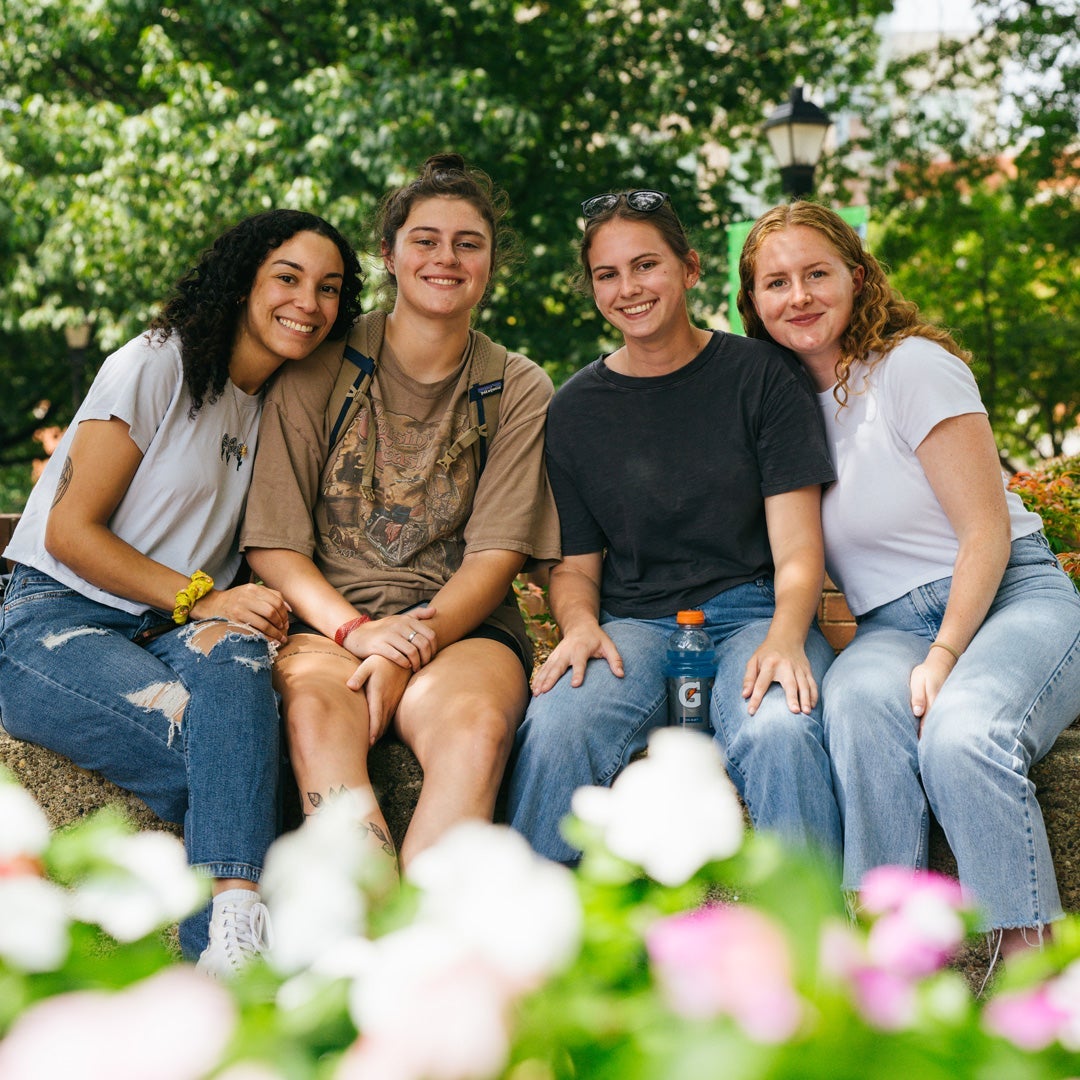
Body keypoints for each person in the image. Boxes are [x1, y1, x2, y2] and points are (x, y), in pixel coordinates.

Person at [0, 209, 363, 976]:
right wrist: (200, 596)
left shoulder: (274, 403)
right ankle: (241, 944)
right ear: (241, 285)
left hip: (163, 632)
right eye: (287, 278)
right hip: (55, 620)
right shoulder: (157, 362)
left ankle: (226, 942)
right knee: (236, 754)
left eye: (330, 288)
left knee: (238, 657)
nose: (309, 301)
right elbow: (70, 530)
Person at [737, 200, 1080, 957]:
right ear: (753, 304)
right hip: (891, 625)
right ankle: (894, 972)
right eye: (777, 282)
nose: (799, 296)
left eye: (817, 274)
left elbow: (986, 534)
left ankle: (1031, 984)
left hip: (1009, 597)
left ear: (857, 279)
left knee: (961, 736)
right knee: (856, 707)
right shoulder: (779, 411)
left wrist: (947, 655)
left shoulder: (911, 367)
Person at [241, 154, 560, 874]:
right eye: (425, 240)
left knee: (477, 731)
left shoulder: (516, 387)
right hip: (330, 621)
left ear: (489, 264)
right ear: (389, 255)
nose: (445, 258)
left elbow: (497, 555)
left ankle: (427, 944)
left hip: (462, 629)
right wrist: (359, 634)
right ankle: (370, 929)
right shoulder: (319, 366)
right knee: (317, 717)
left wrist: (407, 645)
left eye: (467, 243)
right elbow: (274, 543)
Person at [506, 189, 842, 865]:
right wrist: (578, 625)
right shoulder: (574, 410)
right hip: (635, 627)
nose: (628, 288)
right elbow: (575, 564)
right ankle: (519, 954)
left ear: (689, 269)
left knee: (783, 728)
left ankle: (813, 955)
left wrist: (784, 638)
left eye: (646, 265)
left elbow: (800, 547)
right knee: (556, 725)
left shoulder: (762, 376)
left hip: (755, 609)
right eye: (608, 274)